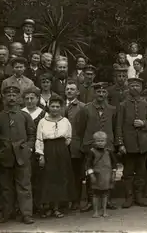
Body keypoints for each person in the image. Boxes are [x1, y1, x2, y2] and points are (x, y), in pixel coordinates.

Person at [0, 85, 35, 224]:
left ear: (19, 98)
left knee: (24, 186)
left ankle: (26, 214)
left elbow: (32, 135)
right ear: (4, 98)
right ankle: (7, 213)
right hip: (4, 157)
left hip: (22, 155)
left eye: (14, 95)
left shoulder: (25, 116)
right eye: (8, 95)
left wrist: (28, 148)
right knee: (5, 187)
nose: (11, 98)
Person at [75, 82, 118, 212]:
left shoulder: (112, 109)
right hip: (90, 145)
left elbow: (115, 127)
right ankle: (90, 201)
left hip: (107, 146)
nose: (101, 94)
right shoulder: (86, 109)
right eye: (98, 92)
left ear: (107, 94)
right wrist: (88, 141)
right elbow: (80, 128)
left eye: (103, 92)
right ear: (94, 93)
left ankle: (107, 200)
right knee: (91, 172)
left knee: (106, 172)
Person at [116, 78, 147, 208]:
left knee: (141, 171)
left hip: (143, 144)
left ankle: (139, 196)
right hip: (129, 144)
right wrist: (120, 144)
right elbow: (118, 126)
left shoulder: (146, 104)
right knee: (128, 172)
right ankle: (129, 197)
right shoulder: (122, 105)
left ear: (141, 88)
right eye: (132, 85)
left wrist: (144, 124)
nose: (135, 88)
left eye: (137, 85)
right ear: (128, 88)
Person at [35, 95, 74, 218]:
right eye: (52, 106)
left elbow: (68, 138)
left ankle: (57, 208)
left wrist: (61, 148)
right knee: (48, 178)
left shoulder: (65, 121)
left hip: (62, 151)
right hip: (48, 150)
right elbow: (39, 139)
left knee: (60, 178)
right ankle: (48, 208)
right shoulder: (43, 121)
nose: (55, 109)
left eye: (57, 106)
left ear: (61, 108)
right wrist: (41, 155)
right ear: (48, 107)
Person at [21, 87, 47, 215]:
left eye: (32, 98)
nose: (30, 101)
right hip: (23, 151)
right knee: (25, 179)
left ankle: (39, 205)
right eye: (27, 98)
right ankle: (26, 208)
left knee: (39, 179)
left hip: (39, 151)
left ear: (38, 99)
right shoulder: (21, 113)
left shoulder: (43, 114)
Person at [84, 131, 118, 218]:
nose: (100, 143)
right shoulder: (92, 152)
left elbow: (114, 163)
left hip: (106, 176)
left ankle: (104, 211)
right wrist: (91, 175)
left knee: (105, 194)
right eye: (98, 141)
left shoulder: (109, 152)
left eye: (102, 141)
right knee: (95, 194)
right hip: (96, 176)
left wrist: (113, 173)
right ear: (94, 142)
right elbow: (88, 164)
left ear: (106, 141)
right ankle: (95, 211)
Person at [64, 80, 86, 210]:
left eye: (72, 89)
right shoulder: (59, 105)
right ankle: (64, 200)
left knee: (76, 173)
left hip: (76, 145)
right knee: (64, 173)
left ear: (77, 92)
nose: (69, 91)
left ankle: (76, 200)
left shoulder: (82, 107)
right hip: (61, 145)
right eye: (67, 89)